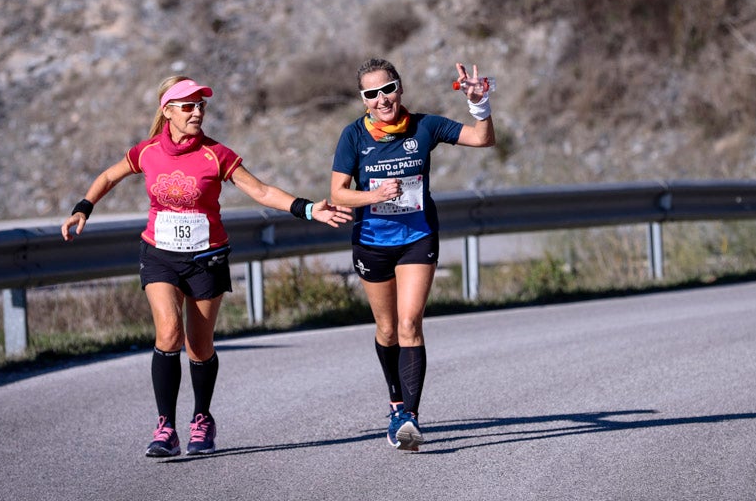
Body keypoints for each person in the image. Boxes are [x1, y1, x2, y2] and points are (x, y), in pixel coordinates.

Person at [61, 75, 351, 457]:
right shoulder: (147, 151)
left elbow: (261, 191)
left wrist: (308, 208)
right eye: (188, 106)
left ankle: (202, 418)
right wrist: (84, 207)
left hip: (206, 258)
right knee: (168, 334)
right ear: (168, 112)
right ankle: (165, 427)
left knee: (199, 346)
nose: (197, 112)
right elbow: (110, 175)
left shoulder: (217, 154)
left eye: (201, 105)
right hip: (159, 254)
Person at [330, 58, 495, 452]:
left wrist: (480, 105)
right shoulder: (353, 136)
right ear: (363, 100)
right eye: (372, 93)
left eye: (388, 88)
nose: (382, 99)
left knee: (409, 324)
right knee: (386, 329)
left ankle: (410, 418)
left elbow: (482, 139)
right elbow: (338, 193)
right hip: (372, 240)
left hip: (418, 237)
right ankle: (395, 401)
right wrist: (373, 195)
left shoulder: (425, 126)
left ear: (400, 88)